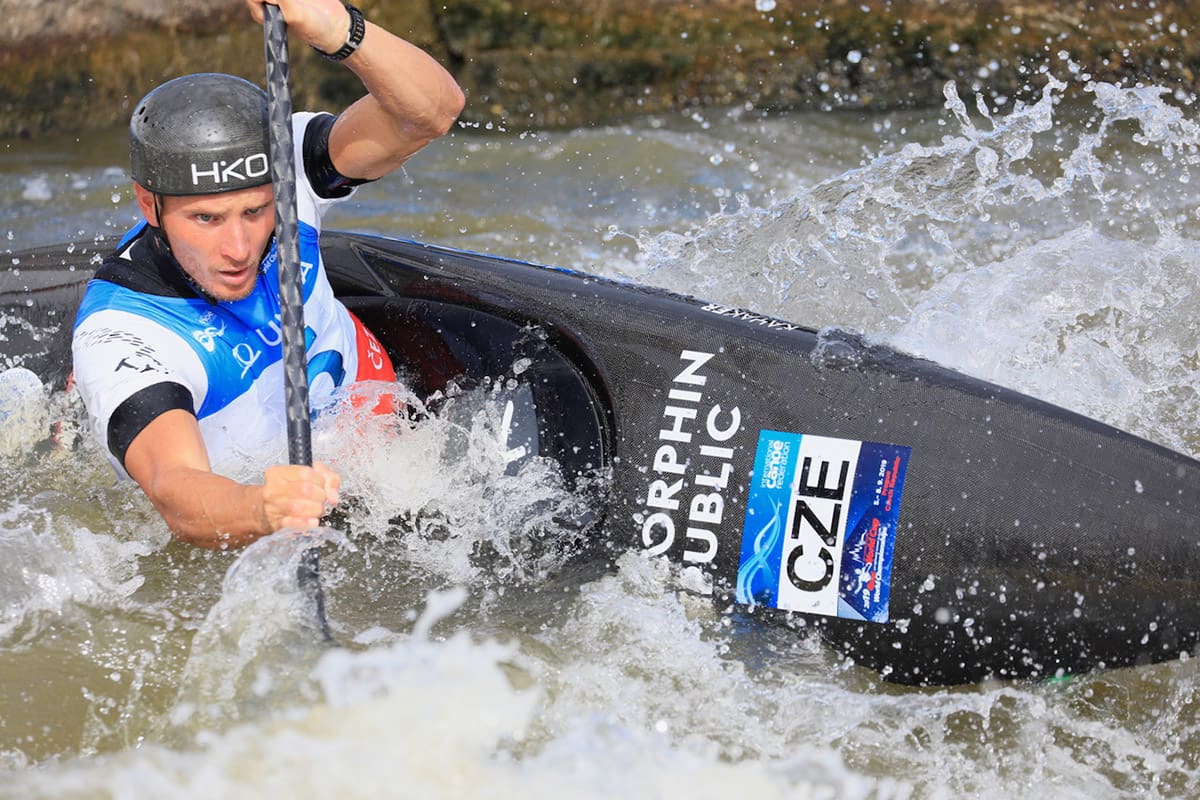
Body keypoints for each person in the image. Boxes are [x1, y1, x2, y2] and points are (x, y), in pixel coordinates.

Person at [70, 0, 465, 549]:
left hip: (389, 437)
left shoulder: (287, 168)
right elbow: (175, 491)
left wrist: (338, 29)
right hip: (257, 511)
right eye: (205, 219)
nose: (239, 248)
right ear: (148, 204)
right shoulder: (123, 333)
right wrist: (261, 507)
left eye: (256, 212)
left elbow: (430, 113)